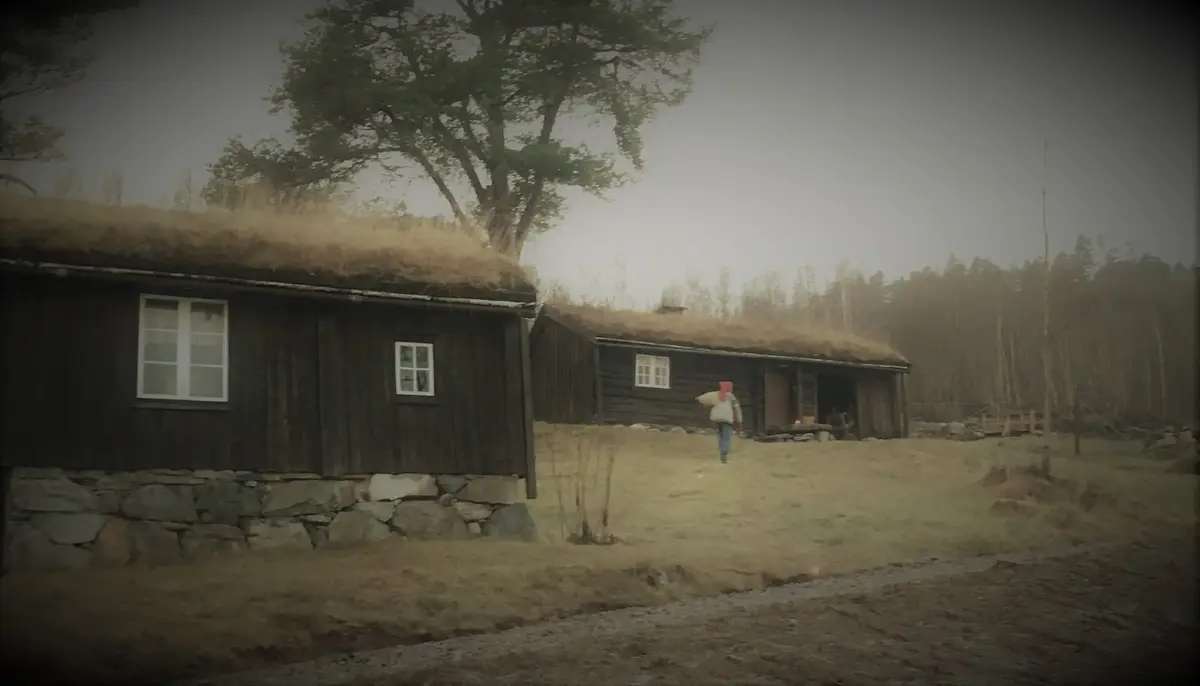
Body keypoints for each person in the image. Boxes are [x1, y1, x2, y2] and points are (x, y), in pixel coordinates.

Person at [702, 380, 743, 463]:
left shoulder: (714, 395)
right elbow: (737, 409)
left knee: (720, 435)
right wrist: (739, 421)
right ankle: (724, 454)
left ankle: (721, 451)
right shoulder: (731, 396)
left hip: (716, 418)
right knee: (726, 437)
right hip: (727, 418)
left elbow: (704, 401)